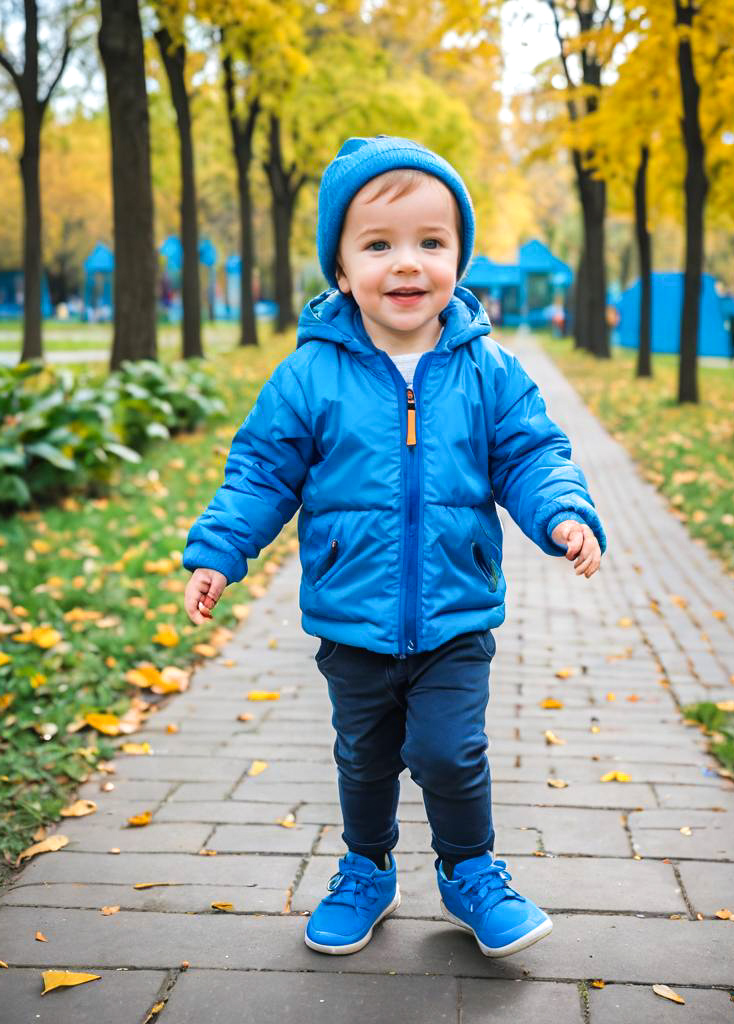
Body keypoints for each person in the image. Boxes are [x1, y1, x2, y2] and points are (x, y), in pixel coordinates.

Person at [183, 135, 606, 960]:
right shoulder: (309, 376)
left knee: (451, 751)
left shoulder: (487, 368)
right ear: (340, 269)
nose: (407, 264)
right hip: (351, 618)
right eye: (378, 245)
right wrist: (218, 552)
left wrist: (562, 514)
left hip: (454, 612)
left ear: (459, 257)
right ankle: (367, 868)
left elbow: (531, 453)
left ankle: (471, 872)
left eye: (430, 243)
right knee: (365, 757)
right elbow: (261, 472)